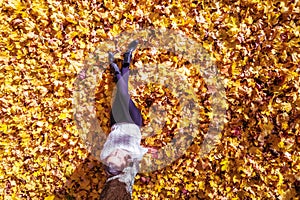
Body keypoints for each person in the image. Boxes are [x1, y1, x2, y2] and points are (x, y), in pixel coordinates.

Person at [100, 40, 152, 199]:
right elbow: (141, 152)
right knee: (123, 94)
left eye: (111, 157)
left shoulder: (105, 154)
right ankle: (119, 66)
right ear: (125, 161)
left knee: (121, 94)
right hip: (135, 122)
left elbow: (111, 153)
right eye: (118, 157)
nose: (115, 152)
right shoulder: (133, 153)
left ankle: (122, 64)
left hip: (116, 120)